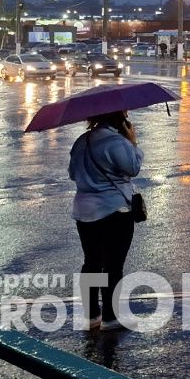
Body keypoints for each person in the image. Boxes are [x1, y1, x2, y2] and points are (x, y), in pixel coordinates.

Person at [68, 110, 142, 332]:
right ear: (120, 118)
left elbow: (73, 174)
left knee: (91, 262)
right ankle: (111, 317)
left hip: (84, 211)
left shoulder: (81, 141)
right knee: (113, 265)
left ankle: (92, 315)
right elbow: (133, 168)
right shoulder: (117, 142)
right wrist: (133, 143)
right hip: (114, 210)